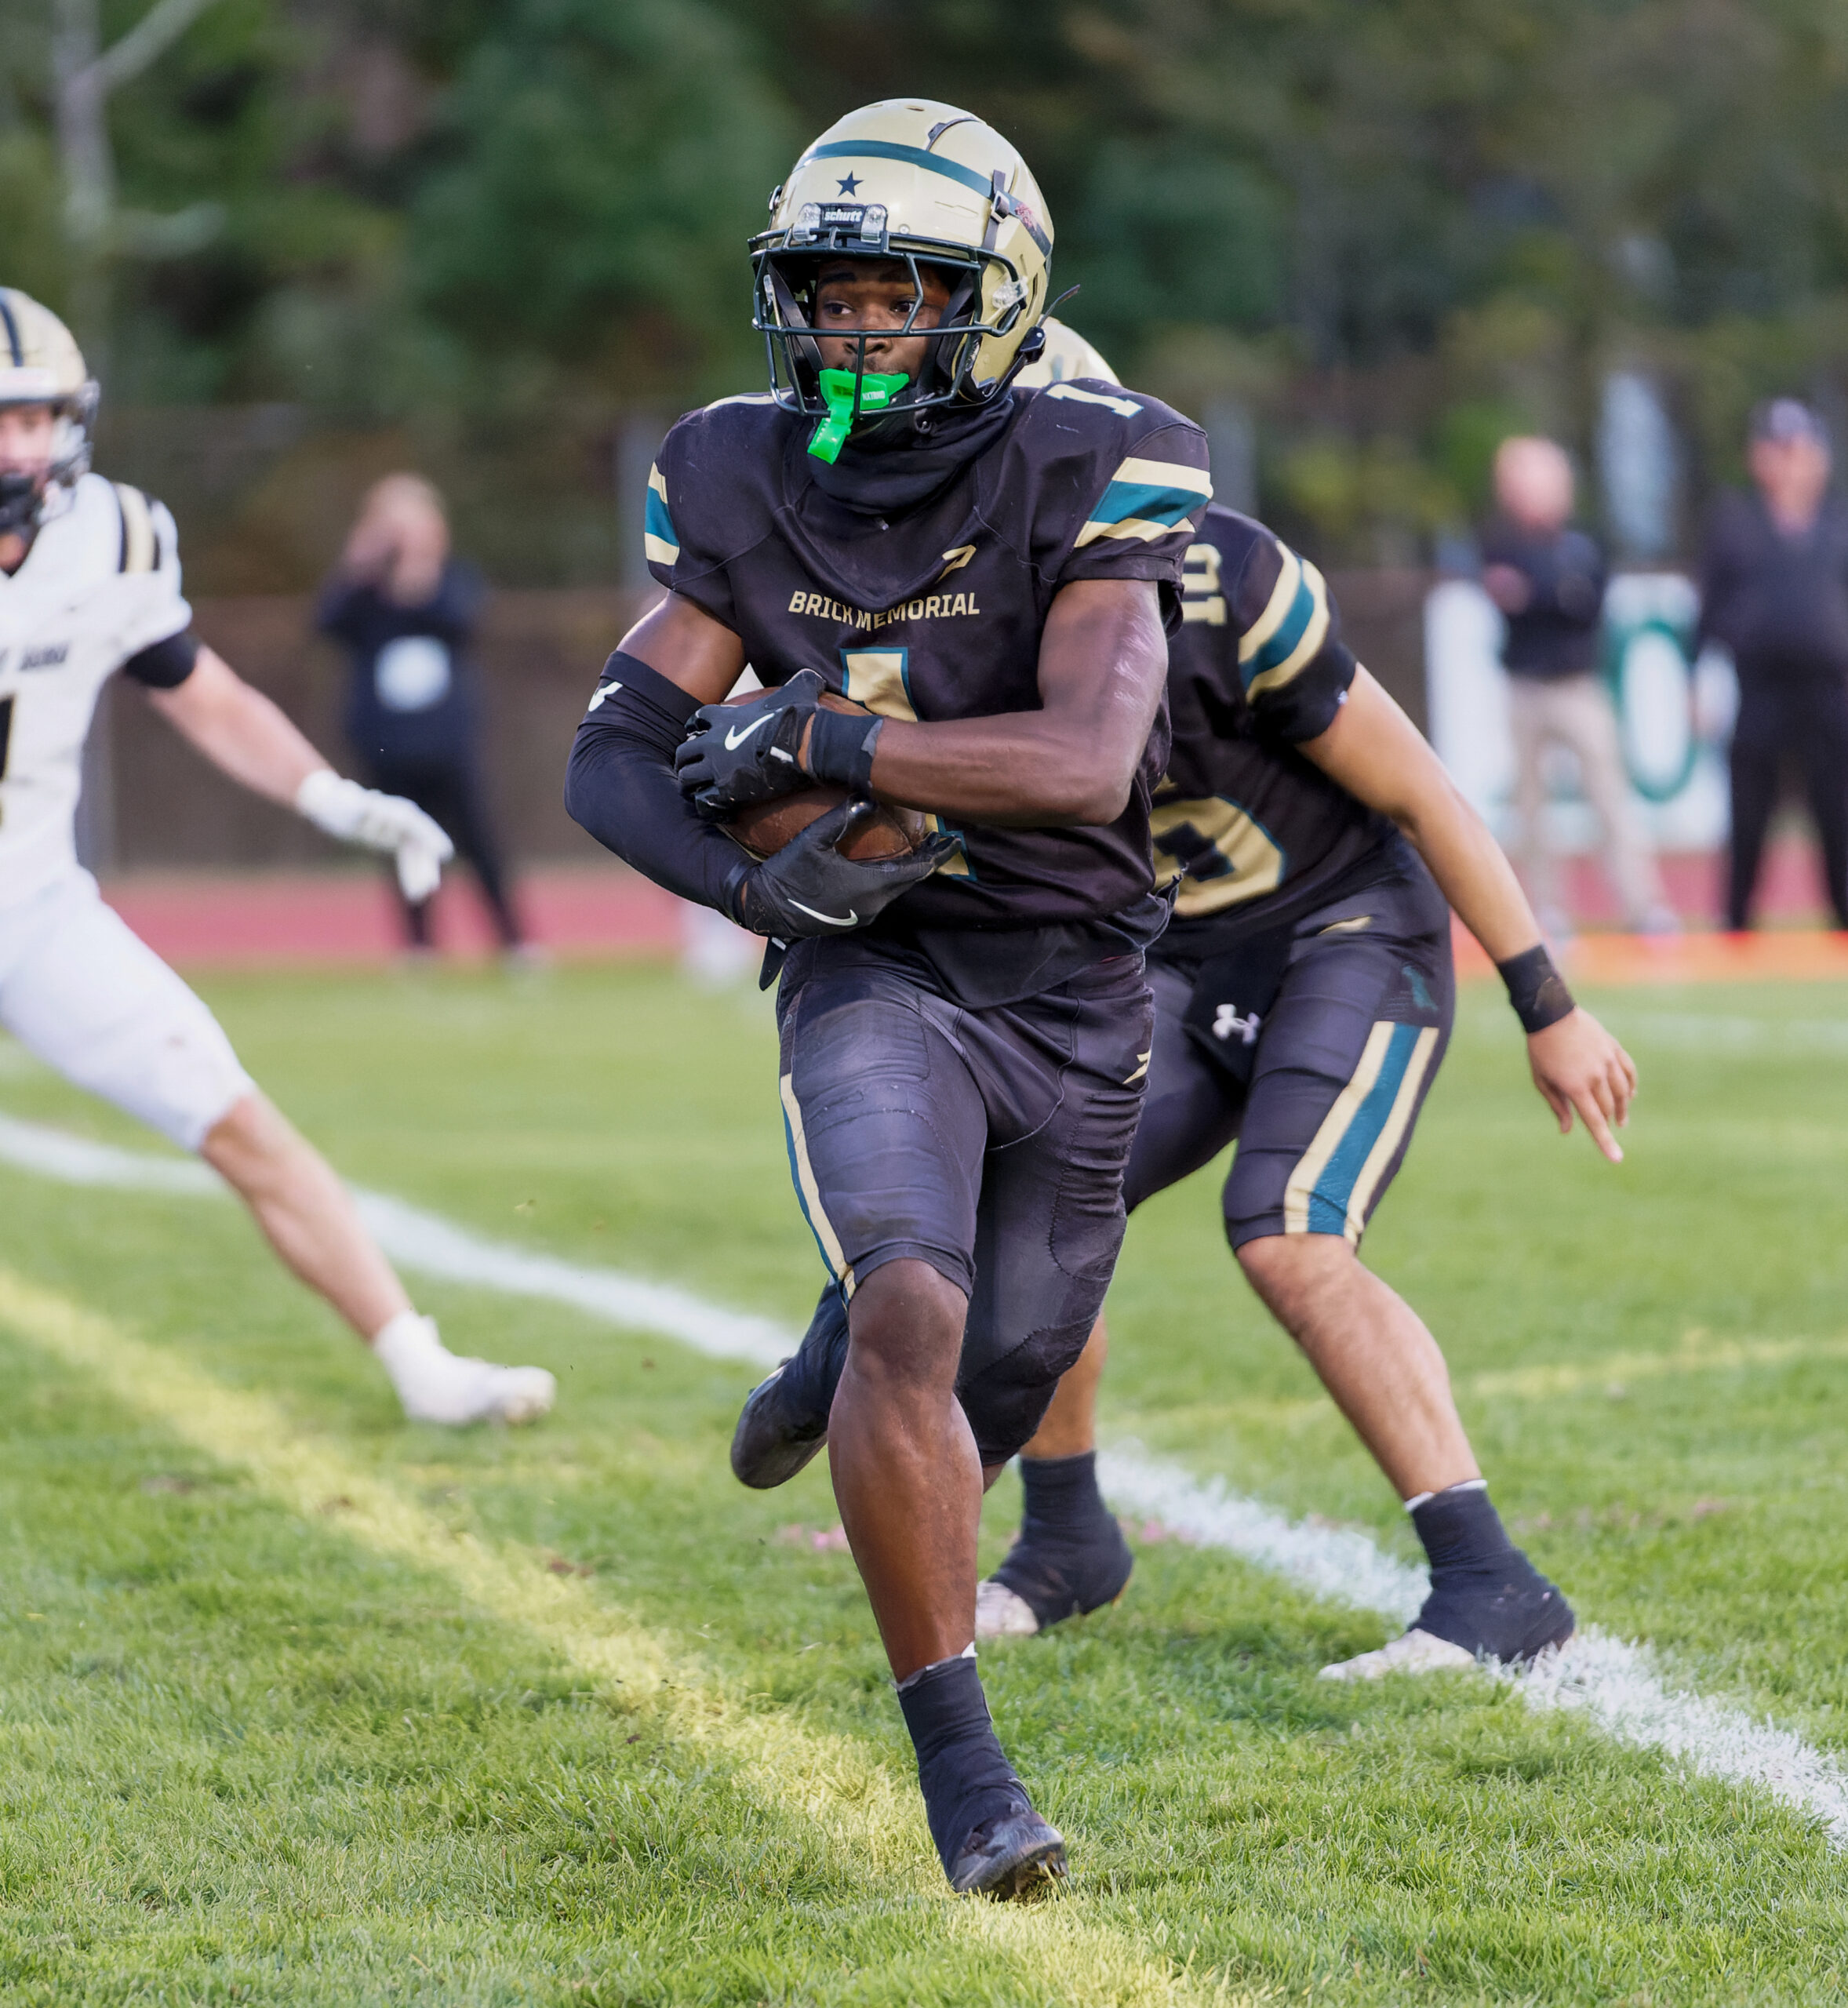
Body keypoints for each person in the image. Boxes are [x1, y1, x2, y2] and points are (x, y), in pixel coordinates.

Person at [731, 324, 1638, 1683]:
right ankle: (1069, 1542)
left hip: (1338, 930)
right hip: (1164, 955)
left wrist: (1545, 1000)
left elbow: (1418, 788)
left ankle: (1490, 1582)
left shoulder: (1224, 580)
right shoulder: (948, 604)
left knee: (1285, 1232)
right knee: (1044, 1169)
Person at [565, 100, 1208, 1896]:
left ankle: (827, 1352)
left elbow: (1086, 760)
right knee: (918, 1299)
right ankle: (967, 1778)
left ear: (992, 298)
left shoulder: (1104, 456)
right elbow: (611, 749)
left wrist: (831, 733)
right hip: (877, 969)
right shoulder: (736, 465)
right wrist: (760, 885)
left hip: (1077, 985)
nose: (853, 334)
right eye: (825, 301)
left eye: (896, 299)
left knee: (993, 1360)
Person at [0, 287, 555, 1427]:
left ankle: (421, 1367)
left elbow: (201, 694)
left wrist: (336, 801)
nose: (22, 444)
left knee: (236, 1114)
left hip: (32, 904)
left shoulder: (112, 533)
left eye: (37, 415)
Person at [318, 475, 528, 956]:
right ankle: (420, 946)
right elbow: (326, 624)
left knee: (480, 843)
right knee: (401, 846)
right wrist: (360, 568)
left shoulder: (453, 579)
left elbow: (463, 620)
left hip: (447, 742)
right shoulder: (362, 596)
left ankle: (514, 942)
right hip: (387, 743)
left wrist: (419, 569)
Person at [1480, 436, 1672, 938]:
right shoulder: (1501, 540)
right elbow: (1518, 595)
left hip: (1576, 685)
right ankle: (1545, 912)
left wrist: (1538, 594)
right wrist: (1550, 595)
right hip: (1524, 685)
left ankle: (1643, 906)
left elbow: (1579, 602)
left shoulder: (1582, 541)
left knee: (1609, 798)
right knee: (1530, 807)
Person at [1697, 398, 1848, 932]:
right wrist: (1696, 681)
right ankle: (1736, 925)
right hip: (1759, 687)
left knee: (1838, 810)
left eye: (1798, 451)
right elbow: (1708, 608)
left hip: (1830, 690)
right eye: (1776, 451)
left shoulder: (1836, 522)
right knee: (1749, 813)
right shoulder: (1737, 523)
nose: (1788, 464)